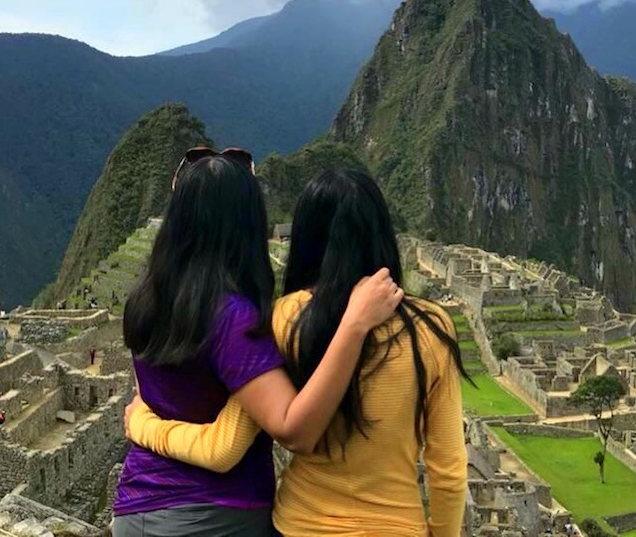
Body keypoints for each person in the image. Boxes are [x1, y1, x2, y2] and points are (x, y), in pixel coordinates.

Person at [126, 168, 469, 537]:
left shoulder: (282, 320)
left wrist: (143, 423)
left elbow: (224, 444)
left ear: (305, 238)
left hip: (300, 524)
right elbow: (448, 470)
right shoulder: (432, 328)